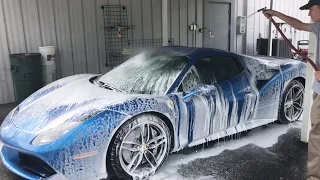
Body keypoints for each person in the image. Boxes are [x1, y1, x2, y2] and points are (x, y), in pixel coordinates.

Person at [263, 0, 320, 179]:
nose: (309, 14)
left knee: (317, 136)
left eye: (311, 10)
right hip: (319, 90)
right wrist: (275, 14)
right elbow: (299, 25)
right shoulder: (318, 27)